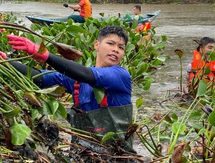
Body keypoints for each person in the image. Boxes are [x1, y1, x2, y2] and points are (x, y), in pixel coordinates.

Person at [1, 26, 134, 152]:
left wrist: (47, 56)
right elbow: (39, 78)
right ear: (96, 45)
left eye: (121, 47)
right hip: (82, 153)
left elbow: (87, 75)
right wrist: (6, 62)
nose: (116, 49)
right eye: (110, 43)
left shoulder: (121, 75)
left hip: (117, 154)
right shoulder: (75, 80)